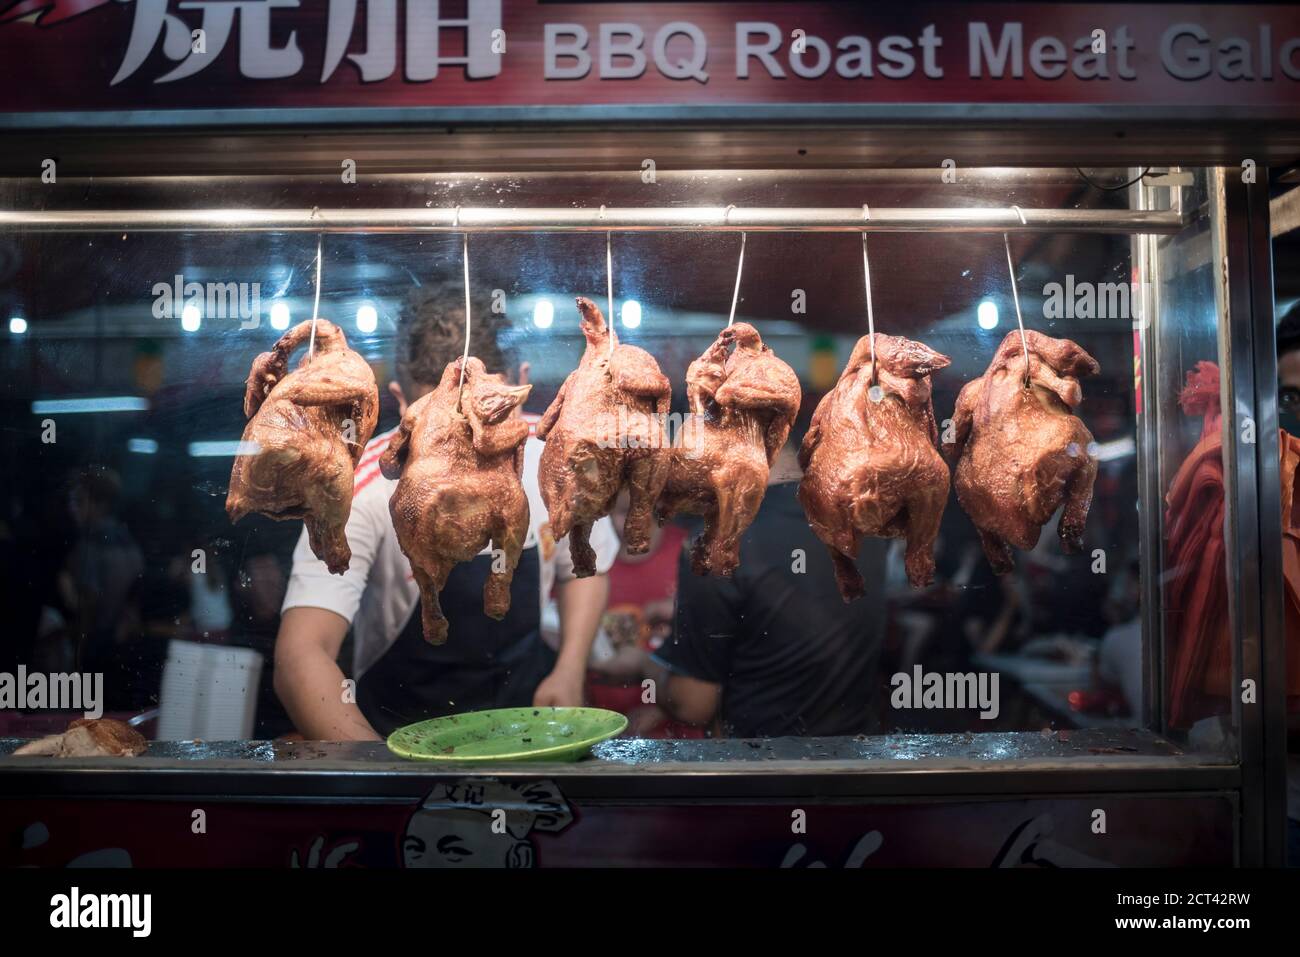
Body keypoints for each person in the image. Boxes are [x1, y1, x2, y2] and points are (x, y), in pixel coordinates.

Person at [274, 281, 617, 739]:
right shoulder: (362, 487)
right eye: (442, 429)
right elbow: (301, 654)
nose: (469, 451)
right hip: (399, 732)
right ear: (400, 404)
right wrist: (378, 770)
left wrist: (571, 665)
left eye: (488, 416)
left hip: (531, 731)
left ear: (521, 389)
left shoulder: (555, 456)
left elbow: (585, 568)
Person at [651, 429, 889, 737]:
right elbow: (797, 623)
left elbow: (692, 705)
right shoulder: (860, 523)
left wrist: (646, 669)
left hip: (767, 772)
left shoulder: (717, 544)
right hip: (857, 764)